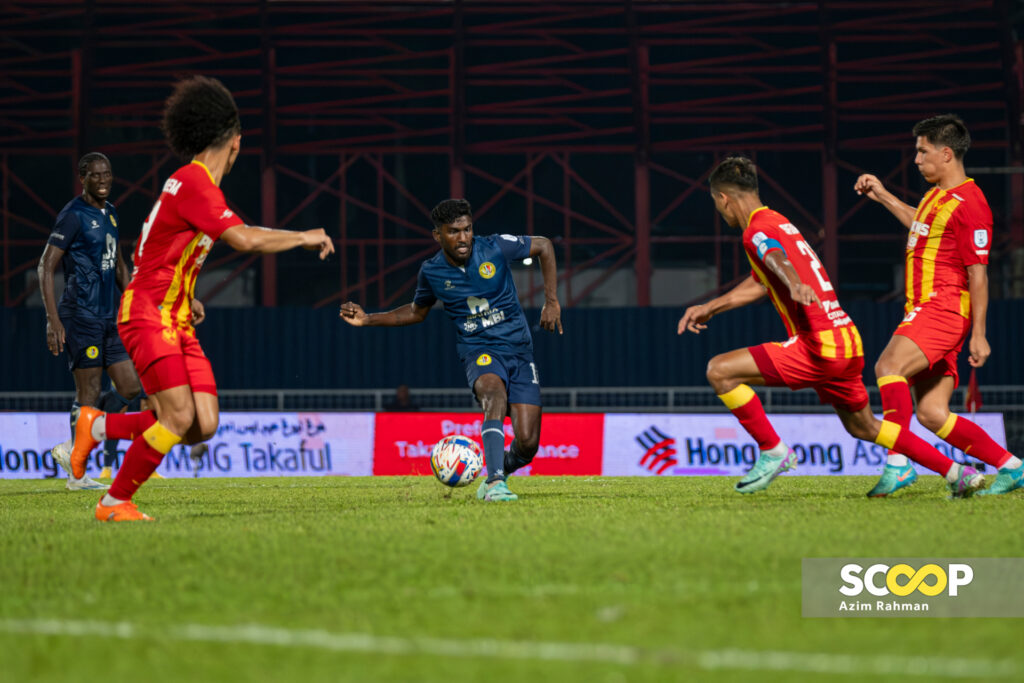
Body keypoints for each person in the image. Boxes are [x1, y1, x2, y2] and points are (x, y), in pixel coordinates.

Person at [68, 75, 335, 521]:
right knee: (175, 417)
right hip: (149, 314)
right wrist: (303, 236)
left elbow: (152, 248)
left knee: (201, 425)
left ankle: (94, 426)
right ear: (234, 142)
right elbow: (246, 239)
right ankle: (114, 502)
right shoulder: (194, 184)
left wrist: (185, 293)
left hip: (173, 315)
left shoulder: (193, 187)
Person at [680, 156, 980, 497]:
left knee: (719, 371)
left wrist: (792, 281)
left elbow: (774, 256)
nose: (722, 213)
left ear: (723, 198)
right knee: (863, 426)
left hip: (818, 345)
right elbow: (761, 280)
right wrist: (711, 307)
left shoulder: (756, 231)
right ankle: (957, 472)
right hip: (847, 340)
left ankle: (773, 451)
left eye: (718, 205)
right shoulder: (778, 220)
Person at [341, 198, 562, 502]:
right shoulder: (432, 272)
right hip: (479, 350)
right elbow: (416, 312)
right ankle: (496, 482)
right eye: (454, 231)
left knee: (527, 444)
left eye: (467, 229)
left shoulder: (495, 247)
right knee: (492, 394)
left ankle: (499, 470)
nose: (463, 238)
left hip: (519, 350)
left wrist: (551, 301)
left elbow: (545, 246)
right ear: (438, 235)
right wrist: (368, 319)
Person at [855, 113, 1022, 496]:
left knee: (888, 365)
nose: (916, 159)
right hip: (929, 309)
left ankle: (898, 464)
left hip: (942, 309)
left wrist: (980, 334)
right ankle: (1012, 467)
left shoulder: (972, 204)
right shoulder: (936, 196)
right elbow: (919, 224)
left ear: (946, 154)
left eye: (922, 151)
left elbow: (979, 274)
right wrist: (882, 195)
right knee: (932, 413)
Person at [38, 152, 142, 491]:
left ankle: (72, 447)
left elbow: (119, 264)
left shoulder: (110, 213)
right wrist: (53, 321)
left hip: (108, 316)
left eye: (108, 174)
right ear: (82, 177)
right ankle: (76, 475)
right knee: (89, 391)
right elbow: (45, 266)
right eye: (96, 175)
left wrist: (134, 304)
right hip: (79, 315)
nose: (103, 180)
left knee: (129, 387)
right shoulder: (72, 216)